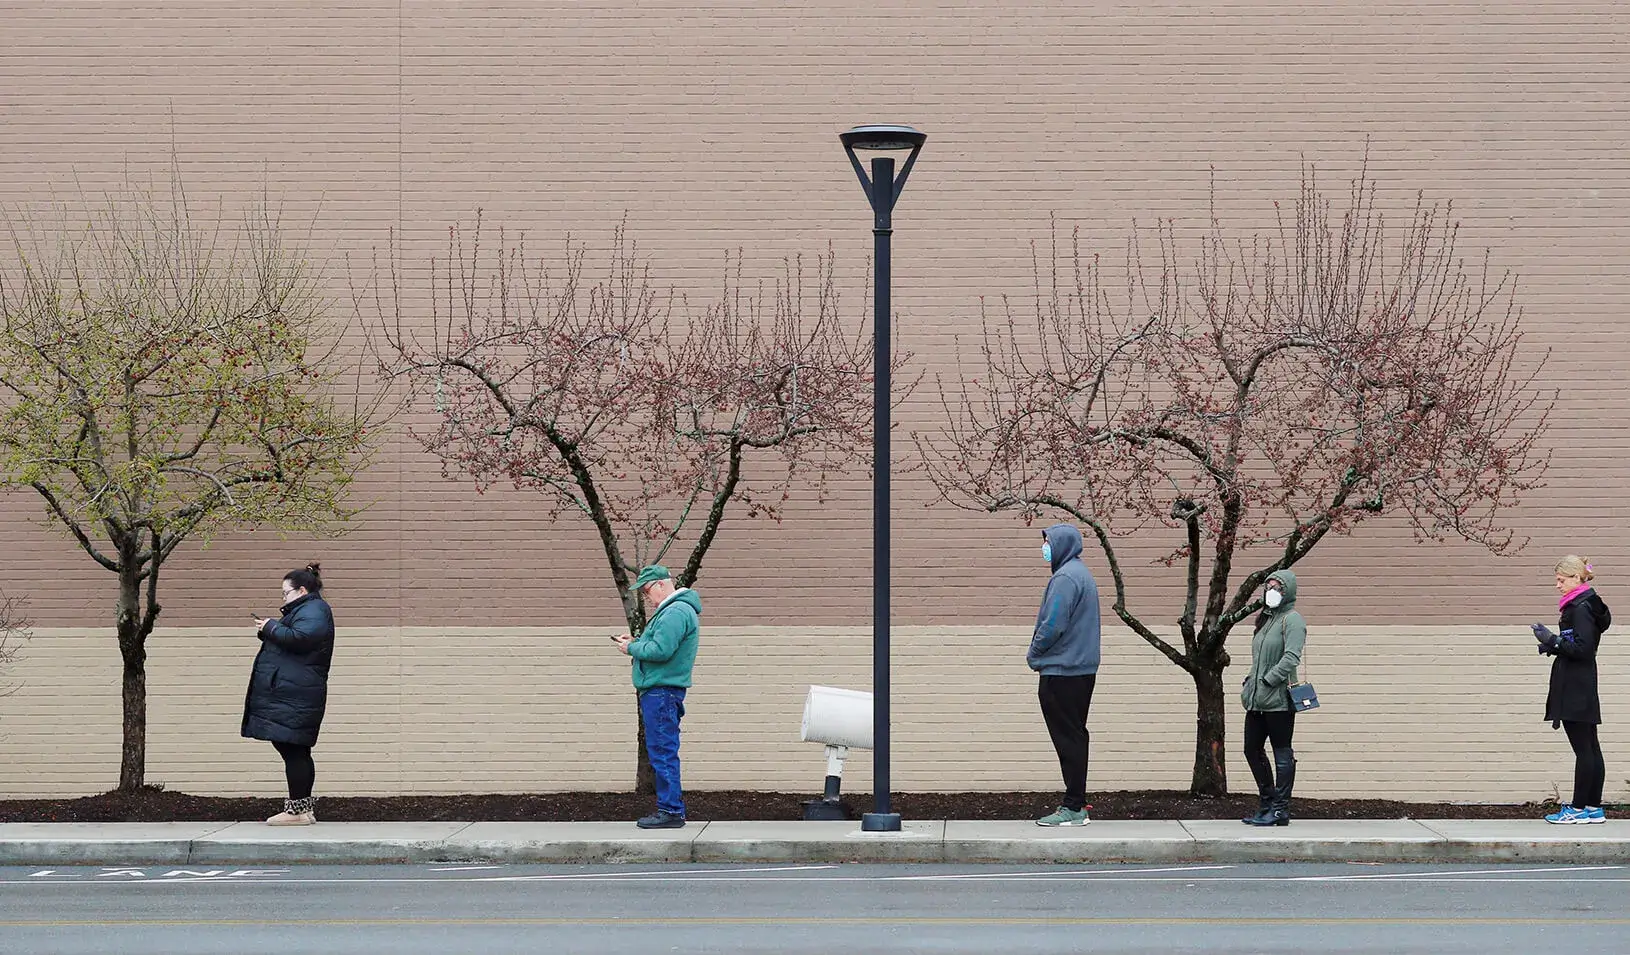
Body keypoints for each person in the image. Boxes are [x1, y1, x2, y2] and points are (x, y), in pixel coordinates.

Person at [243, 563, 336, 826]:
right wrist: (270, 630)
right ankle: (302, 809)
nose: (283, 598)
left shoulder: (315, 609)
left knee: (293, 749)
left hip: (296, 695)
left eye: (286, 593)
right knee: (295, 749)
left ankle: (298, 812)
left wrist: (271, 627)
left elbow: (304, 637)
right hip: (295, 693)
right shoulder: (308, 609)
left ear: (302, 590)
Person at [613, 565, 701, 830]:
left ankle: (671, 811)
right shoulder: (677, 611)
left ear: (662, 585)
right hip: (663, 692)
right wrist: (639, 641)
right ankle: (670, 809)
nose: (646, 598)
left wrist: (631, 647)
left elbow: (661, 650)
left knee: (662, 751)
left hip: (661, 692)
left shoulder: (674, 612)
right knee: (663, 750)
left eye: (647, 590)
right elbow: (660, 645)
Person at [1027, 524, 1102, 827]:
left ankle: (1073, 806)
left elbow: (1052, 625)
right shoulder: (1080, 574)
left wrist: (1034, 653)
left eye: (1047, 542)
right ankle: (1077, 803)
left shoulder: (1065, 578)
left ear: (1061, 544)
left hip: (1063, 671)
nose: (1045, 547)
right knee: (1075, 735)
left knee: (1068, 739)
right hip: (1080, 670)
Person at [1533, 555, 1611, 824]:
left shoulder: (1580, 608)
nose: (1558, 585)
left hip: (1575, 684)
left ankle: (1578, 809)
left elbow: (1583, 648)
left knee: (1584, 749)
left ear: (1577, 578)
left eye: (1561, 580)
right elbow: (1579, 643)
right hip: (1583, 680)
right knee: (1590, 746)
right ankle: (1593, 807)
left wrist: (1552, 639)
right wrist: (1553, 647)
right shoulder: (1586, 605)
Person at [1240, 570, 1306, 827]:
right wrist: (1250, 682)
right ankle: (1266, 802)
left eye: (1277, 587)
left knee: (1282, 753)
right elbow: (1259, 661)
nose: (1272, 591)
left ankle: (1280, 809)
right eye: (1269, 586)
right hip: (1257, 700)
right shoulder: (1266, 620)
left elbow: (1291, 657)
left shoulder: (1292, 620)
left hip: (1278, 700)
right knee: (1251, 749)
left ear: (1287, 591)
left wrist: (1268, 680)